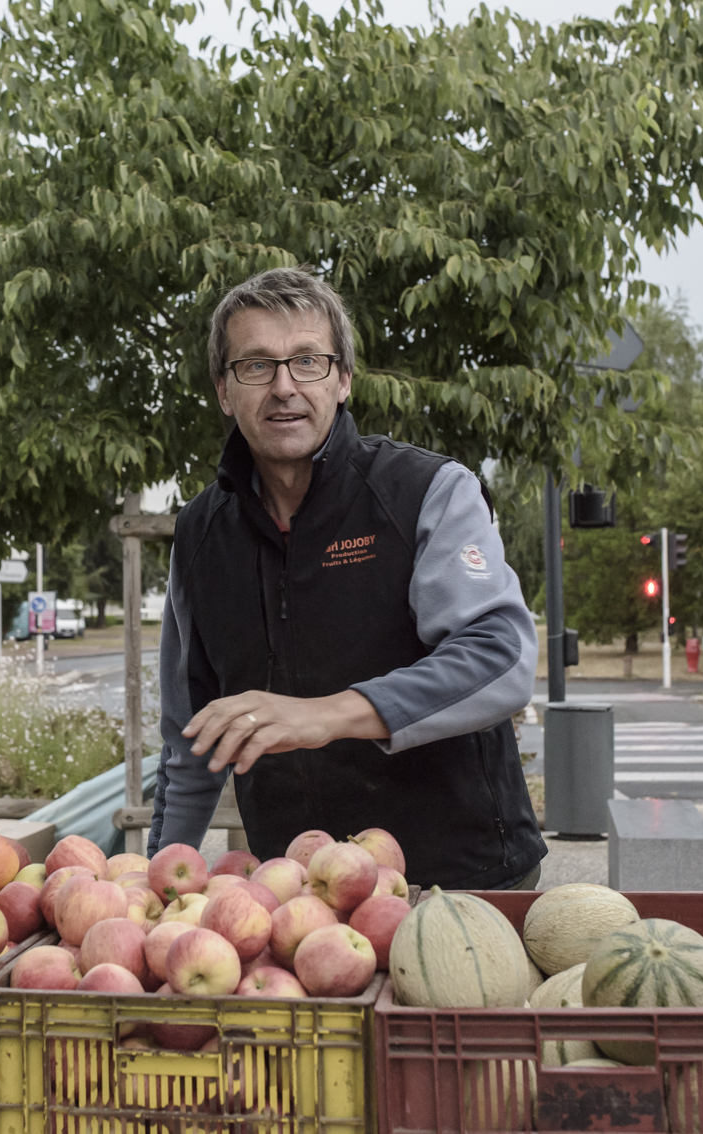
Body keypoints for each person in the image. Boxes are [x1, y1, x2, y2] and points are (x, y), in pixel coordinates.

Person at [147, 266, 546, 890]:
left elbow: (502, 659)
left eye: (308, 361)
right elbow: (191, 744)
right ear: (224, 390)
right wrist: (151, 886)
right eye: (256, 365)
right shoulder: (199, 534)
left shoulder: (427, 493)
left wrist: (327, 715)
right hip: (298, 899)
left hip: (464, 881)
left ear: (343, 380)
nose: (284, 386)